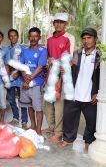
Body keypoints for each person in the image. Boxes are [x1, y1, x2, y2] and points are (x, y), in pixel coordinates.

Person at [59, 28, 100, 150]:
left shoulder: (100, 56)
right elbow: (71, 71)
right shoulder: (77, 54)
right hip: (75, 93)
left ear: (95, 39)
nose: (86, 41)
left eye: (89, 38)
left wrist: (97, 92)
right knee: (69, 117)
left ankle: (88, 140)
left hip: (90, 95)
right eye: (84, 38)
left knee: (91, 120)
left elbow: (101, 77)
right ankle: (68, 139)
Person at [44, 11, 75, 143]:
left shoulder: (69, 38)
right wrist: (49, 61)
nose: (58, 24)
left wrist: (60, 80)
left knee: (58, 105)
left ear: (65, 24)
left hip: (62, 76)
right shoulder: (49, 39)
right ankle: (51, 128)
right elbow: (47, 57)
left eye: (61, 22)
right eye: (56, 22)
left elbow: (69, 59)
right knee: (48, 105)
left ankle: (58, 133)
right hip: (50, 76)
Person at [19, 27, 47, 135]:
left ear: (39, 37)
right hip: (25, 83)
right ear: (28, 37)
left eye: (36, 36)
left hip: (36, 84)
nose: (33, 38)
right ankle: (33, 126)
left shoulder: (43, 50)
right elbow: (21, 66)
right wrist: (25, 78)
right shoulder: (25, 51)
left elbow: (40, 67)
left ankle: (39, 130)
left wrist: (28, 79)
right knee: (29, 106)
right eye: (31, 36)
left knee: (38, 108)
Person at [5, 28, 28, 128]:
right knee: (11, 99)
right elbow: (6, 63)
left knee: (22, 100)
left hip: (20, 78)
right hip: (10, 78)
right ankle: (15, 118)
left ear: (18, 37)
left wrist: (18, 73)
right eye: (11, 36)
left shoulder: (22, 49)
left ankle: (24, 122)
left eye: (15, 36)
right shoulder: (7, 49)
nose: (13, 37)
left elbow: (25, 63)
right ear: (9, 37)